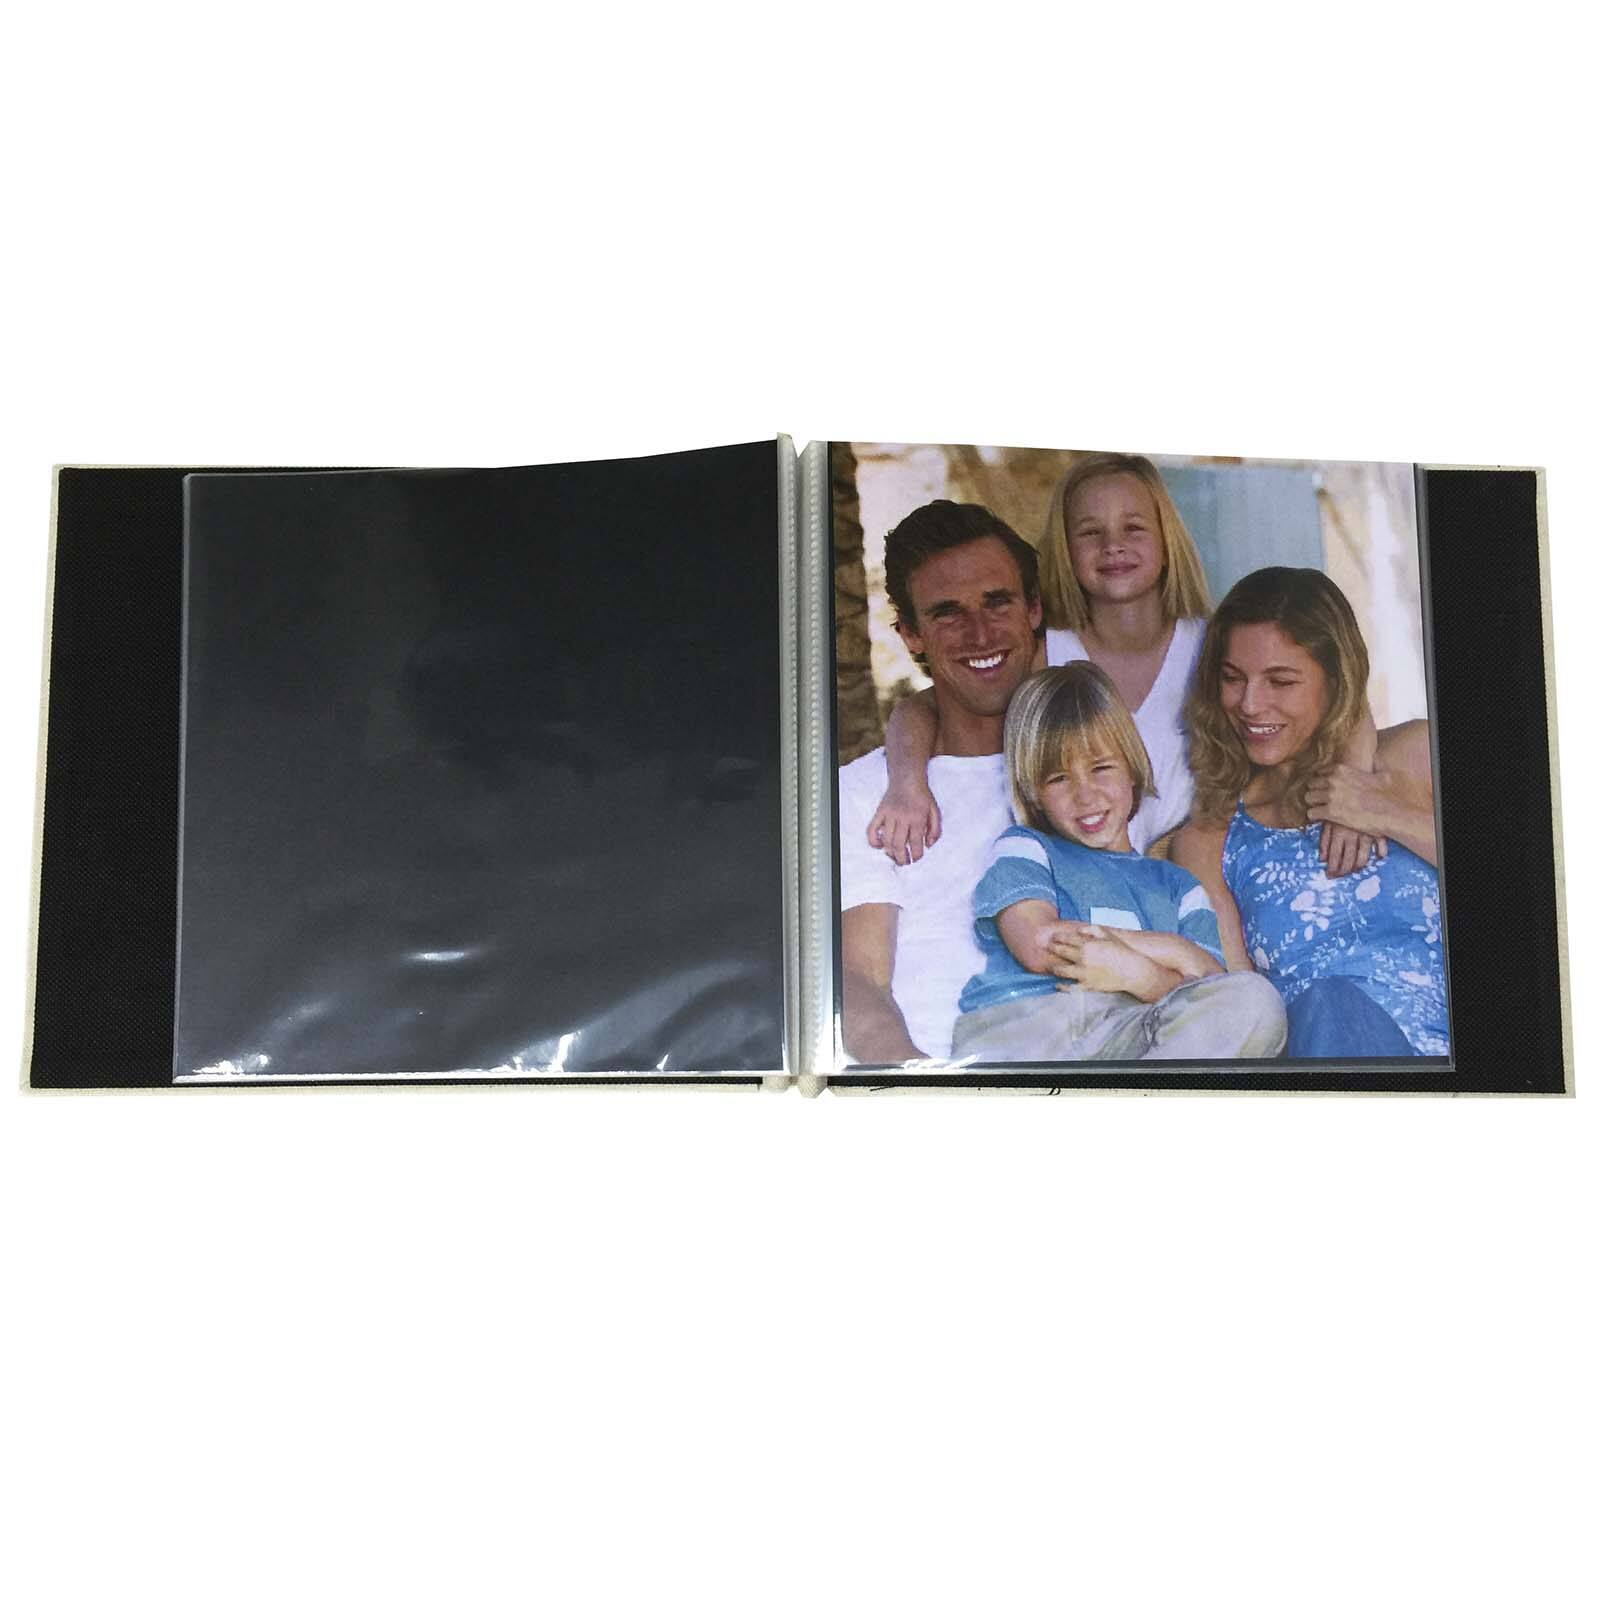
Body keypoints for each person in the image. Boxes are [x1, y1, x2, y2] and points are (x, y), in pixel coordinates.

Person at [866, 453, 1380, 875]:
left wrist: (1356, 794)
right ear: (1066, 550)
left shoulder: (1212, 643)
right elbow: (924, 707)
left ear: (1165, 540)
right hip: (1083, 886)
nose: (1113, 546)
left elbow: (1343, 703)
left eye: (1134, 527)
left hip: (1198, 879)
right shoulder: (1048, 654)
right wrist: (907, 784)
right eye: (1090, 533)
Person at [1169, 567, 1449, 1057]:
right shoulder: (1210, 841)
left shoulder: (1415, 757)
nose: (1250, 704)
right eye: (1233, 679)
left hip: (1450, 1069)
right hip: (1315, 1063)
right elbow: (1242, 1014)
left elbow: (1529, 896)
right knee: (1329, 1004)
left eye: (1281, 681)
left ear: (1336, 681)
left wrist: (1381, 811)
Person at [951, 663, 1285, 1063]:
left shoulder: (1178, 888)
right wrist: (1172, 952)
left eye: (1101, 768)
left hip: (1131, 1036)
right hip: (1032, 1027)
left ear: (1131, 768)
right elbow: (1039, 943)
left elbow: (1209, 983)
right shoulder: (1027, 847)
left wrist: (1137, 974)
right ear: (1034, 792)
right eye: (1058, 778)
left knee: (1255, 1000)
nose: (1085, 795)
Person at [836, 500, 1042, 1063]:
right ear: (911, 635)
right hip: (927, 1071)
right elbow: (858, 979)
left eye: (997, 602)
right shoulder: (863, 793)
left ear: (1033, 609)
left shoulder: (1096, 775)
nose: (980, 632)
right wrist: (919, 1081)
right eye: (948, 613)